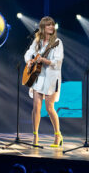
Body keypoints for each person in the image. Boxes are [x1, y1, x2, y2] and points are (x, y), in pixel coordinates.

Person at [24, 16, 64, 147]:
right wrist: (30, 61)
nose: (51, 27)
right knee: (36, 107)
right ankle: (35, 137)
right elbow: (28, 54)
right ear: (42, 28)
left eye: (52, 25)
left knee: (49, 108)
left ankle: (58, 135)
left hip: (51, 78)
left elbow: (58, 62)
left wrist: (44, 61)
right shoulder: (37, 41)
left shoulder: (57, 42)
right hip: (38, 78)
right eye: (48, 25)